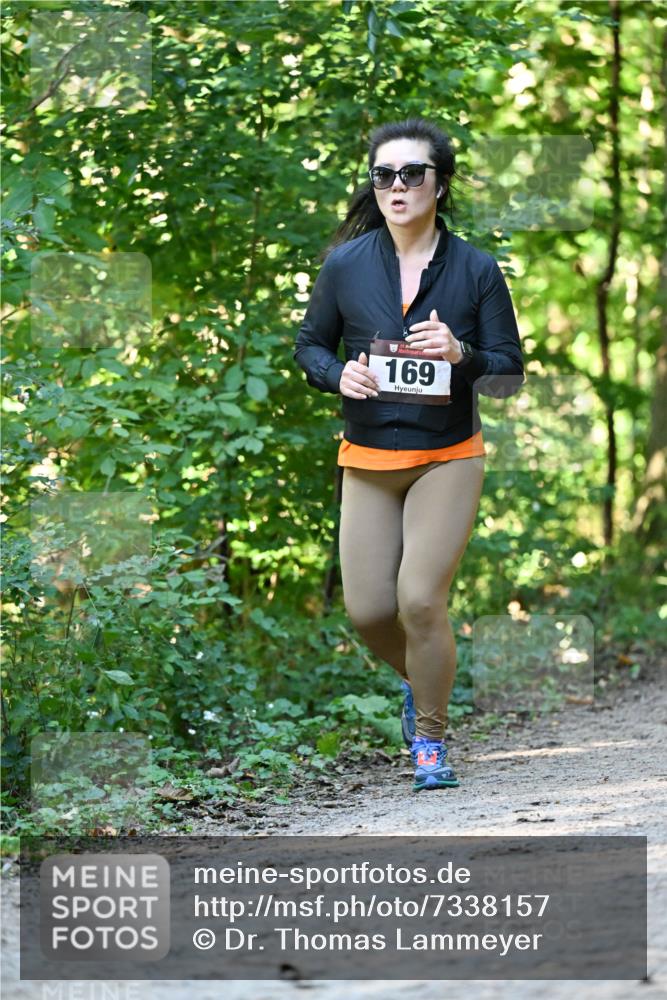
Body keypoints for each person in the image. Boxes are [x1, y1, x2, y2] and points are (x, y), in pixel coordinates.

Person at [294, 118, 524, 791]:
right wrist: (338, 375)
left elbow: (507, 373)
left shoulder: (475, 269)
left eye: (411, 174)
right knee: (368, 612)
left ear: (438, 185)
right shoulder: (347, 264)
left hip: (447, 454)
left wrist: (463, 354)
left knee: (419, 601)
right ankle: (424, 678)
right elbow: (309, 345)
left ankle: (429, 741)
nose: (396, 186)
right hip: (366, 456)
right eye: (383, 175)